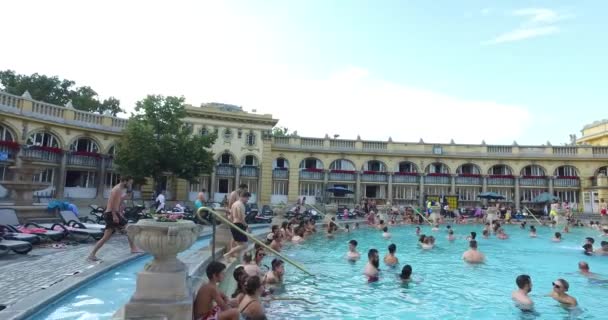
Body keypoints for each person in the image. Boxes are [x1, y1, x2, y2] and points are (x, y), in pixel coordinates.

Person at [88, 176, 140, 261]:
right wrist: (115, 215)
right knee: (107, 236)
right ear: (124, 181)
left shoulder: (119, 189)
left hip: (113, 213)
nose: (130, 184)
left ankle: (133, 248)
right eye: (129, 182)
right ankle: (92, 254)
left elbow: (117, 202)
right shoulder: (117, 189)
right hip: (111, 214)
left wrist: (124, 199)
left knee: (127, 229)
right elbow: (111, 203)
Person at [224, 192, 251, 261]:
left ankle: (230, 255)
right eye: (247, 198)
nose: (247, 200)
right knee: (244, 245)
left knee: (235, 240)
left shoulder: (234, 204)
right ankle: (228, 254)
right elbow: (241, 218)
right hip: (239, 225)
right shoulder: (241, 205)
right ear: (244, 197)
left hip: (234, 224)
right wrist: (247, 226)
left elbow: (231, 217)